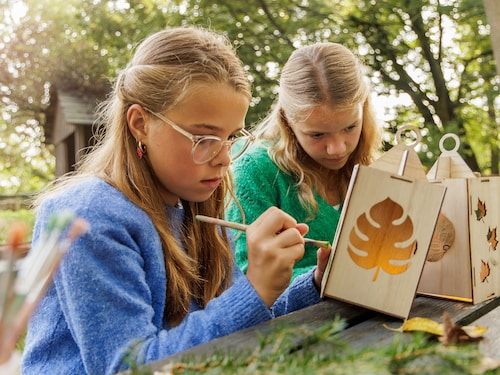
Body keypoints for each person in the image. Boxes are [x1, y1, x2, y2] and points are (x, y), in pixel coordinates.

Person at [21, 27, 331, 374]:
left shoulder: (195, 208)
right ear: (140, 123)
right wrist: (255, 290)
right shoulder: (89, 216)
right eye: (204, 137)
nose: (225, 158)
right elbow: (128, 367)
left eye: (231, 137)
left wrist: (316, 283)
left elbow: (242, 323)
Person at [227, 42, 381, 279]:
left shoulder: (373, 170)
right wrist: (317, 279)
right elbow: (246, 279)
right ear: (288, 122)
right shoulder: (254, 171)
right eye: (317, 134)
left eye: (350, 127)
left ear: (364, 108)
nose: (337, 148)